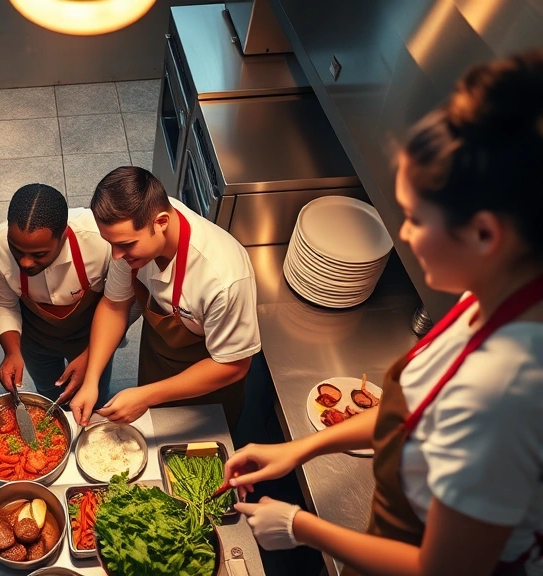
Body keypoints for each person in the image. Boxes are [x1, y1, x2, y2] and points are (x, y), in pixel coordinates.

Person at [227, 51, 543, 576]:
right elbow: (408, 413)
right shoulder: (489, 294)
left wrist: (300, 526)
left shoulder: (503, 393)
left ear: (486, 234)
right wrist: (301, 449)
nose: (406, 236)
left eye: (416, 218)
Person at [69, 166, 260, 429]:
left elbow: (234, 365)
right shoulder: (131, 237)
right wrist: (92, 381)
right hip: (157, 359)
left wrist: (147, 396)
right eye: (110, 244)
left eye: (125, 245)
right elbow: (115, 305)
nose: (115, 256)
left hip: (210, 385)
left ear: (161, 222)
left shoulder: (223, 278)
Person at [0, 184, 114, 404]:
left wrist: (91, 355)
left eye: (39, 254)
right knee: (47, 391)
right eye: (16, 250)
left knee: (95, 392)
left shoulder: (100, 241)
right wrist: (12, 351)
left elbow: (118, 303)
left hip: (90, 334)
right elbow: (2, 303)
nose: (25, 262)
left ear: (63, 235)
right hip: (36, 338)